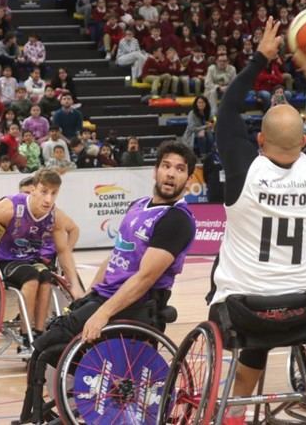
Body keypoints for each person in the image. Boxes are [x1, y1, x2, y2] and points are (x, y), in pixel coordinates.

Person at [208, 18, 306, 423]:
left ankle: (232, 410)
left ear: (260, 141)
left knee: (232, 283)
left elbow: (227, 111)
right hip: (302, 310)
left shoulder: (243, 169)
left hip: (243, 311)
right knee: (269, 313)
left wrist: (259, 60)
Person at [17, 141, 197, 423]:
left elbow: (144, 279)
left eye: (179, 169)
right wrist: (88, 297)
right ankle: (69, 403)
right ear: (155, 171)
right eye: (166, 166)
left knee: (44, 347)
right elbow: (115, 258)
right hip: (105, 297)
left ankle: (44, 414)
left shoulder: (176, 220)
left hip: (136, 306)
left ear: (188, 178)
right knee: (47, 343)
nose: (171, 174)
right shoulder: (138, 206)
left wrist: (102, 313)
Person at [0, 169, 84, 355]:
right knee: (32, 276)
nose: (48, 199)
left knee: (45, 276)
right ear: (33, 189)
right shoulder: (10, 207)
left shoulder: (55, 215)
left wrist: (74, 284)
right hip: (3, 259)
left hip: (28, 259)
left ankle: (39, 333)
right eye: (44, 192)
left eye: (54, 193)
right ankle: (26, 337)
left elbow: (63, 251)